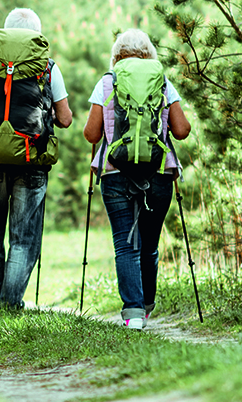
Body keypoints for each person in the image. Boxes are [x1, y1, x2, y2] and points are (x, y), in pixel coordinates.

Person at [0, 8, 73, 308]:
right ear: (37, 34)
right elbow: (66, 119)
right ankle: (10, 306)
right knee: (23, 237)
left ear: (6, 32)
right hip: (31, 158)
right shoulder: (47, 67)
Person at [82, 29, 191, 329]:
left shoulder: (107, 82)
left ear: (116, 55)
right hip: (158, 173)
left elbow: (91, 134)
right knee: (149, 244)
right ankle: (146, 305)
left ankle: (132, 314)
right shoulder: (162, 81)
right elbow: (181, 130)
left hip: (116, 173)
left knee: (125, 244)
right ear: (149, 54)